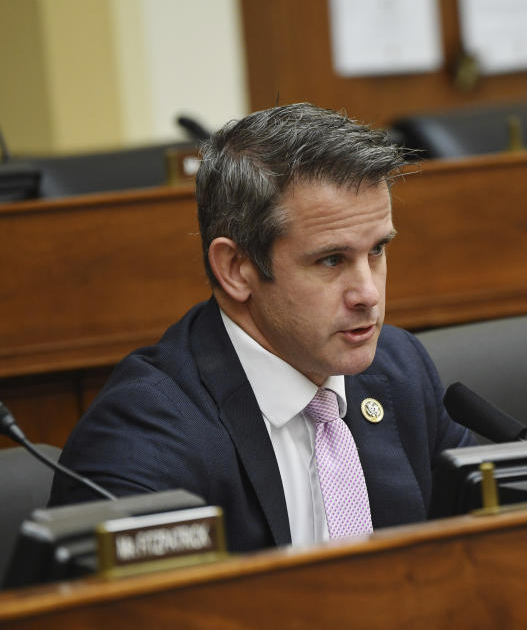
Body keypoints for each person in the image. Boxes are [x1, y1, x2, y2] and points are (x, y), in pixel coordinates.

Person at [48, 103, 473, 552]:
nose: (367, 293)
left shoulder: (400, 368)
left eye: (377, 251)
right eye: (332, 260)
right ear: (236, 269)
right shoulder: (146, 435)